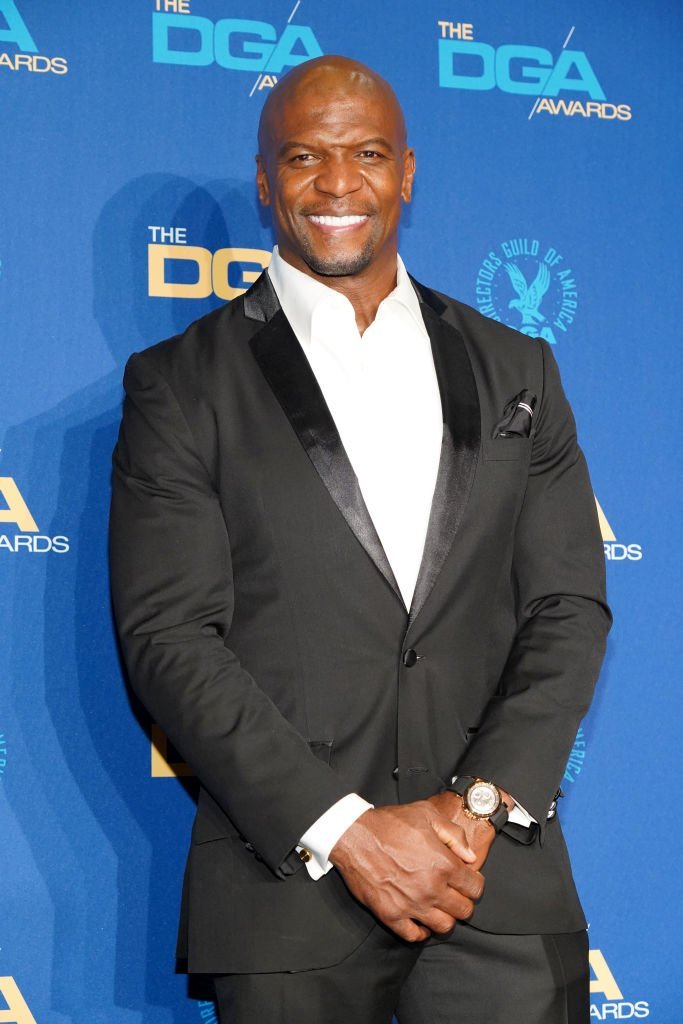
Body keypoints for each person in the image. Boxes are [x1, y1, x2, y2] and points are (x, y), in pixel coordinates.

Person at [109, 55, 610, 1024]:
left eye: (366, 153)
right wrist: (346, 829)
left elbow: (566, 607)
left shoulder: (518, 368)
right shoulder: (178, 385)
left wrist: (468, 813)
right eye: (304, 156)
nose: (337, 183)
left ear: (407, 171)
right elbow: (168, 638)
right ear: (265, 181)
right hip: (286, 889)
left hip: (495, 886)